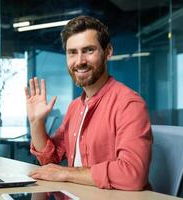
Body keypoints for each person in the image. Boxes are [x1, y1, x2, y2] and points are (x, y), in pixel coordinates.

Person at [24, 16, 152, 191]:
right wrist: (36, 122)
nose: (79, 61)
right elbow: (49, 161)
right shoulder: (76, 106)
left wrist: (66, 173)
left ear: (108, 52)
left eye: (88, 50)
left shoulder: (129, 104)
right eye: (72, 52)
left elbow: (132, 174)